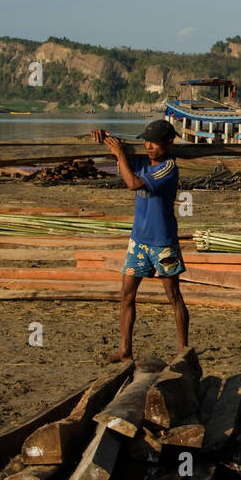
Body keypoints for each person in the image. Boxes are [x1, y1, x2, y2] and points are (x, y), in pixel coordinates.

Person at [90, 120, 187, 363]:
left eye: (154, 142)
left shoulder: (168, 168)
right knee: (126, 295)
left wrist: (120, 155)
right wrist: (105, 137)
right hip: (138, 241)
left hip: (163, 242)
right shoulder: (142, 162)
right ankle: (125, 350)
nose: (149, 146)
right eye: (146, 141)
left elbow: (132, 183)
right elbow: (122, 159)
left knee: (173, 295)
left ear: (169, 143)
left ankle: (184, 350)